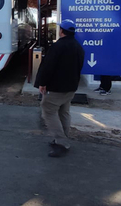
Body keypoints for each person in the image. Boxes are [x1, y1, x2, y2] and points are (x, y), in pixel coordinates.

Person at [36, 19, 85, 158]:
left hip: (57, 88)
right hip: (70, 88)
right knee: (64, 112)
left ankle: (62, 143)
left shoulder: (58, 46)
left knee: (48, 112)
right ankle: (62, 138)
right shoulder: (78, 46)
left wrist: (42, 83)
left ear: (62, 31)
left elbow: (48, 67)